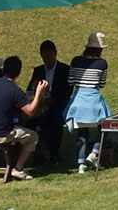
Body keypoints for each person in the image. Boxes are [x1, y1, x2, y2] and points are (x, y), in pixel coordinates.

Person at [0, 56, 48, 180]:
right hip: (2, 134)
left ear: (3, 69)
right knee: (33, 136)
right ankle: (18, 168)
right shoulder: (16, 91)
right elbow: (30, 112)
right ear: (19, 73)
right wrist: (38, 93)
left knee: (17, 131)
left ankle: (13, 165)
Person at [63, 32, 112, 173]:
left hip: (78, 101)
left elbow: (70, 81)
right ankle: (95, 153)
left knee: (82, 133)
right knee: (106, 126)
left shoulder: (75, 61)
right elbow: (101, 84)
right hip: (93, 100)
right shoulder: (102, 64)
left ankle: (81, 164)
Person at [26, 40, 73, 168]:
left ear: (56, 54)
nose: (48, 59)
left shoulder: (65, 69)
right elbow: (30, 89)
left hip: (57, 104)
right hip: (40, 104)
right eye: (45, 56)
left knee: (54, 123)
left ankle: (54, 154)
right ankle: (37, 153)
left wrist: (51, 99)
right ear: (41, 55)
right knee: (29, 122)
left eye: (50, 56)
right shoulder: (38, 70)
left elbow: (67, 91)